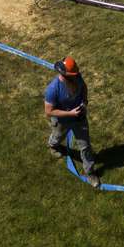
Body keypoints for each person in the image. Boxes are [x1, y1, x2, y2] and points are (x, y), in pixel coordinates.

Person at [44, 56, 101, 187]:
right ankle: (53, 146)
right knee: (58, 136)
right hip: (62, 120)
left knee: (85, 145)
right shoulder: (53, 89)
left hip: (79, 117)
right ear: (64, 76)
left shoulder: (77, 78)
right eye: (73, 75)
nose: (76, 77)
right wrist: (70, 113)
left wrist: (85, 102)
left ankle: (89, 172)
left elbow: (84, 87)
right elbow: (48, 111)